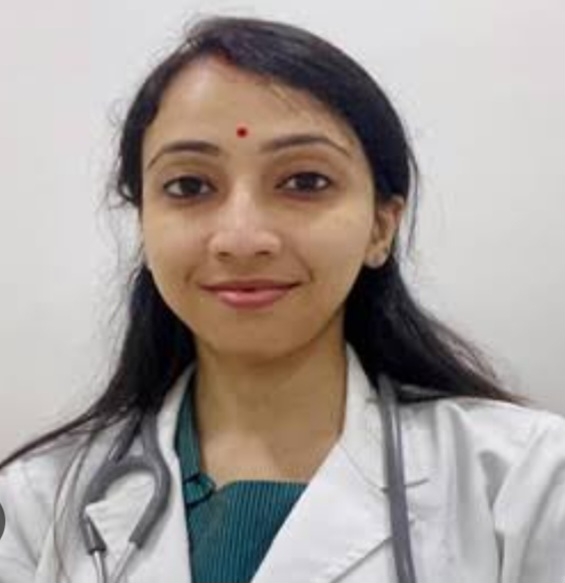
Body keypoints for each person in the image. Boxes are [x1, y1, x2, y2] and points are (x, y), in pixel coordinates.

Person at [0, 14, 564, 583]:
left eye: (305, 182)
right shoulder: (37, 506)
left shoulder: (525, 484)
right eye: (190, 186)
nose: (242, 238)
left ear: (381, 227)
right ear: (144, 225)